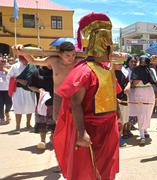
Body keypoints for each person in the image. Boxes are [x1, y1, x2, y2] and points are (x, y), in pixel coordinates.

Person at [53, 12, 121, 180]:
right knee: (88, 170)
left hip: (109, 127)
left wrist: (118, 114)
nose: (110, 49)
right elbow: (75, 103)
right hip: (91, 128)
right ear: (99, 44)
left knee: (106, 169)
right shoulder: (84, 71)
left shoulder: (108, 68)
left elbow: (113, 94)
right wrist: (81, 132)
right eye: (108, 45)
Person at [15, 42, 77, 122]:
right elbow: (33, 61)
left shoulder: (78, 61)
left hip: (74, 95)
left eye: (73, 55)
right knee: (58, 119)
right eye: (67, 55)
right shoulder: (53, 61)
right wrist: (23, 50)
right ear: (60, 55)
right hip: (58, 95)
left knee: (75, 120)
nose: (71, 58)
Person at [125, 55, 157, 146]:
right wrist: (137, 80)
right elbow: (133, 83)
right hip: (139, 92)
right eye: (141, 60)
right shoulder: (136, 70)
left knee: (148, 112)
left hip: (149, 91)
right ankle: (142, 135)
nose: (143, 62)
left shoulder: (151, 70)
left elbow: (154, 81)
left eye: (145, 60)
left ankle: (145, 129)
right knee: (141, 113)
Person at [27, 66, 55, 149]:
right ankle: (42, 140)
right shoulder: (37, 72)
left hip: (55, 102)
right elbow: (30, 85)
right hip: (42, 103)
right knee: (42, 122)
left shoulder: (58, 69)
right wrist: (39, 90)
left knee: (55, 123)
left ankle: (54, 140)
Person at [7, 56, 36, 133]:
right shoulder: (14, 66)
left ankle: (28, 124)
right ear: (20, 60)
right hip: (18, 90)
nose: (26, 61)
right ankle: (18, 126)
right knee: (18, 108)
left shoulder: (32, 66)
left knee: (30, 107)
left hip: (29, 89)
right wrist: (17, 79)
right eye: (24, 60)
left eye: (27, 60)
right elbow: (9, 77)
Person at [114, 61, 129, 147]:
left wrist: (128, 86)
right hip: (113, 100)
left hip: (123, 99)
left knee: (122, 120)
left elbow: (128, 81)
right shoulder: (109, 73)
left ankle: (120, 137)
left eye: (121, 64)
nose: (121, 65)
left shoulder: (124, 72)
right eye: (119, 63)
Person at [0, 57, 12, 124]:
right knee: (0, 104)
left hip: (7, 90)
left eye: (2, 61)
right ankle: (2, 118)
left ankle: (7, 112)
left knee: (9, 104)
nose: (1, 62)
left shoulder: (8, 70)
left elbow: (13, 77)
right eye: (1, 61)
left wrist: (5, 70)